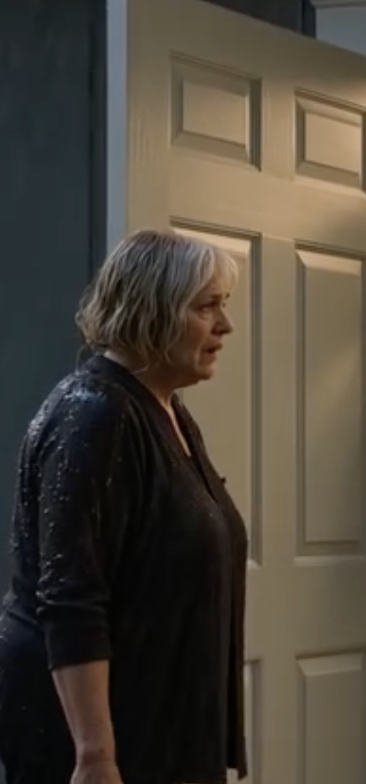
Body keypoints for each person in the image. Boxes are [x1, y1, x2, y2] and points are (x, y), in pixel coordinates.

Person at [0, 229, 249, 784]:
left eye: (223, 305)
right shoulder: (94, 415)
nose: (225, 326)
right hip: (95, 740)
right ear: (151, 311)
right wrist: (95, 756)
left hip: (160, 721)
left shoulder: (167, 410)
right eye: (206, 307)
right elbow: (70, 599)